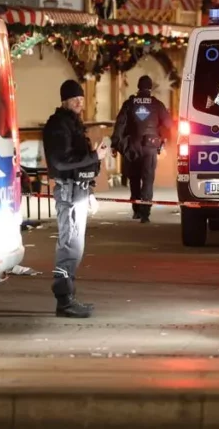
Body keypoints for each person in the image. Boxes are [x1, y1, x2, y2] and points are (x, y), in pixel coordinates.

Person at [42, 79, 109, 318]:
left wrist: (89, 190)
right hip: (69, 191)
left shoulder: (72, 124)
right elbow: (61, 161)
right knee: (70, 245)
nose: (80, 103)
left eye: (81, 99)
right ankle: (64, 299)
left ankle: (69, 295)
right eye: (75, 99)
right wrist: (94, 155)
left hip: (77, 190)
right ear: (65, 101)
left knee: (75, 246)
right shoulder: (59, 126)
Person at [114, 75, 174, 222]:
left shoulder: (129, 103)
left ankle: (136, 210)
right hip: (150, 147)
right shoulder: (157, 104)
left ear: (138, 87)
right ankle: (145, 214)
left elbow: (120, 124)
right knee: (147, 180)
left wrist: (116, 144)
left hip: (132, 147)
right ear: (150, 88)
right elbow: (169, 124)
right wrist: (163, 140)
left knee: (134, 179)